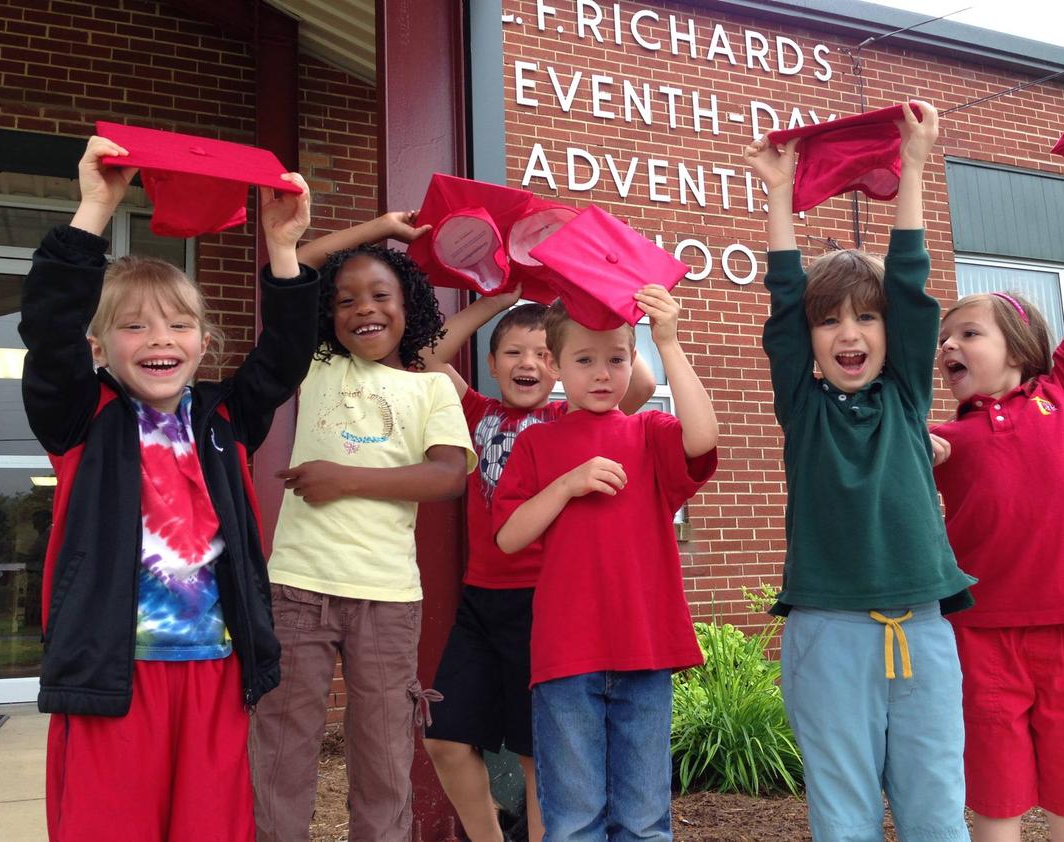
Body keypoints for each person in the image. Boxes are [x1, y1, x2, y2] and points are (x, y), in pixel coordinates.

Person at [21, 135, 317, 841]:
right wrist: (95, 207)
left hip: (216, 669)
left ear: (203, 341)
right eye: (134, 326)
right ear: (99, 349)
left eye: (180, 324)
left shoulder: (222, 419)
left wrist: (283, 246)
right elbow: (49, 327)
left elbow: (283, 358)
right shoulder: (82, 420)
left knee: (210, 828)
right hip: (115, 674)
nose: (162, 338)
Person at [743, 101, 976, 842]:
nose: (849, 333)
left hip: (924, 627)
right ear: (809, 343)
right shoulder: (803, 410)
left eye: (865, 318)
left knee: (936, 805)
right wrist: (778, 195)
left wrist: (911, 166)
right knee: (842, 812)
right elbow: (783, 304)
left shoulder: (908, 394)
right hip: (828, 631)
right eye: (829, 320)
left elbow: (908, 284)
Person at [250, 225, 477, 841]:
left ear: (409, 307)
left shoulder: (432, 386)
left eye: (380, 296)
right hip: (297, 586)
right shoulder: (319, 364)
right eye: (345, 300)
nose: (364, 310)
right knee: (280, 748)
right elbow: (292, 261)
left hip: (387, 596)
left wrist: (342, 478)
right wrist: (380, 230)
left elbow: (447, 475)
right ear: (329, 315)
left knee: (382, 755)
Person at [417, 288, 655, 842]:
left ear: (560, 364)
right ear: (493, 365)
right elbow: (430, 354)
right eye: (512, 354)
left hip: (547, 602)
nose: (528, 364)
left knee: (536, 754)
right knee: (444, 739)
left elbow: (639, 385)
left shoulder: (568, 418)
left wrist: (587, 302)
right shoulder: (476, 411)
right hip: (481, 600)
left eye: (543, 354)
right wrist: (501, 298)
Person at [492, 286, 718, 840]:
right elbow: (508, 537)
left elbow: (704, 436)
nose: (601, 373)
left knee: (644, 820)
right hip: (566, 655)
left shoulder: (649, 433)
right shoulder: (537, 445)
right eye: (584, 360)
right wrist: (567, 484)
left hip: (644, 649)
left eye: (616, 358)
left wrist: (668, 341)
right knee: (572, 821)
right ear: (554, 364)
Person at [931, 177, 1064, 842]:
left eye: (966, 334)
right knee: (995, 797)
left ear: (1019, 341)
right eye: (942, 341)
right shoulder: (944, 439)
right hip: (984, 632)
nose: (947, 348)